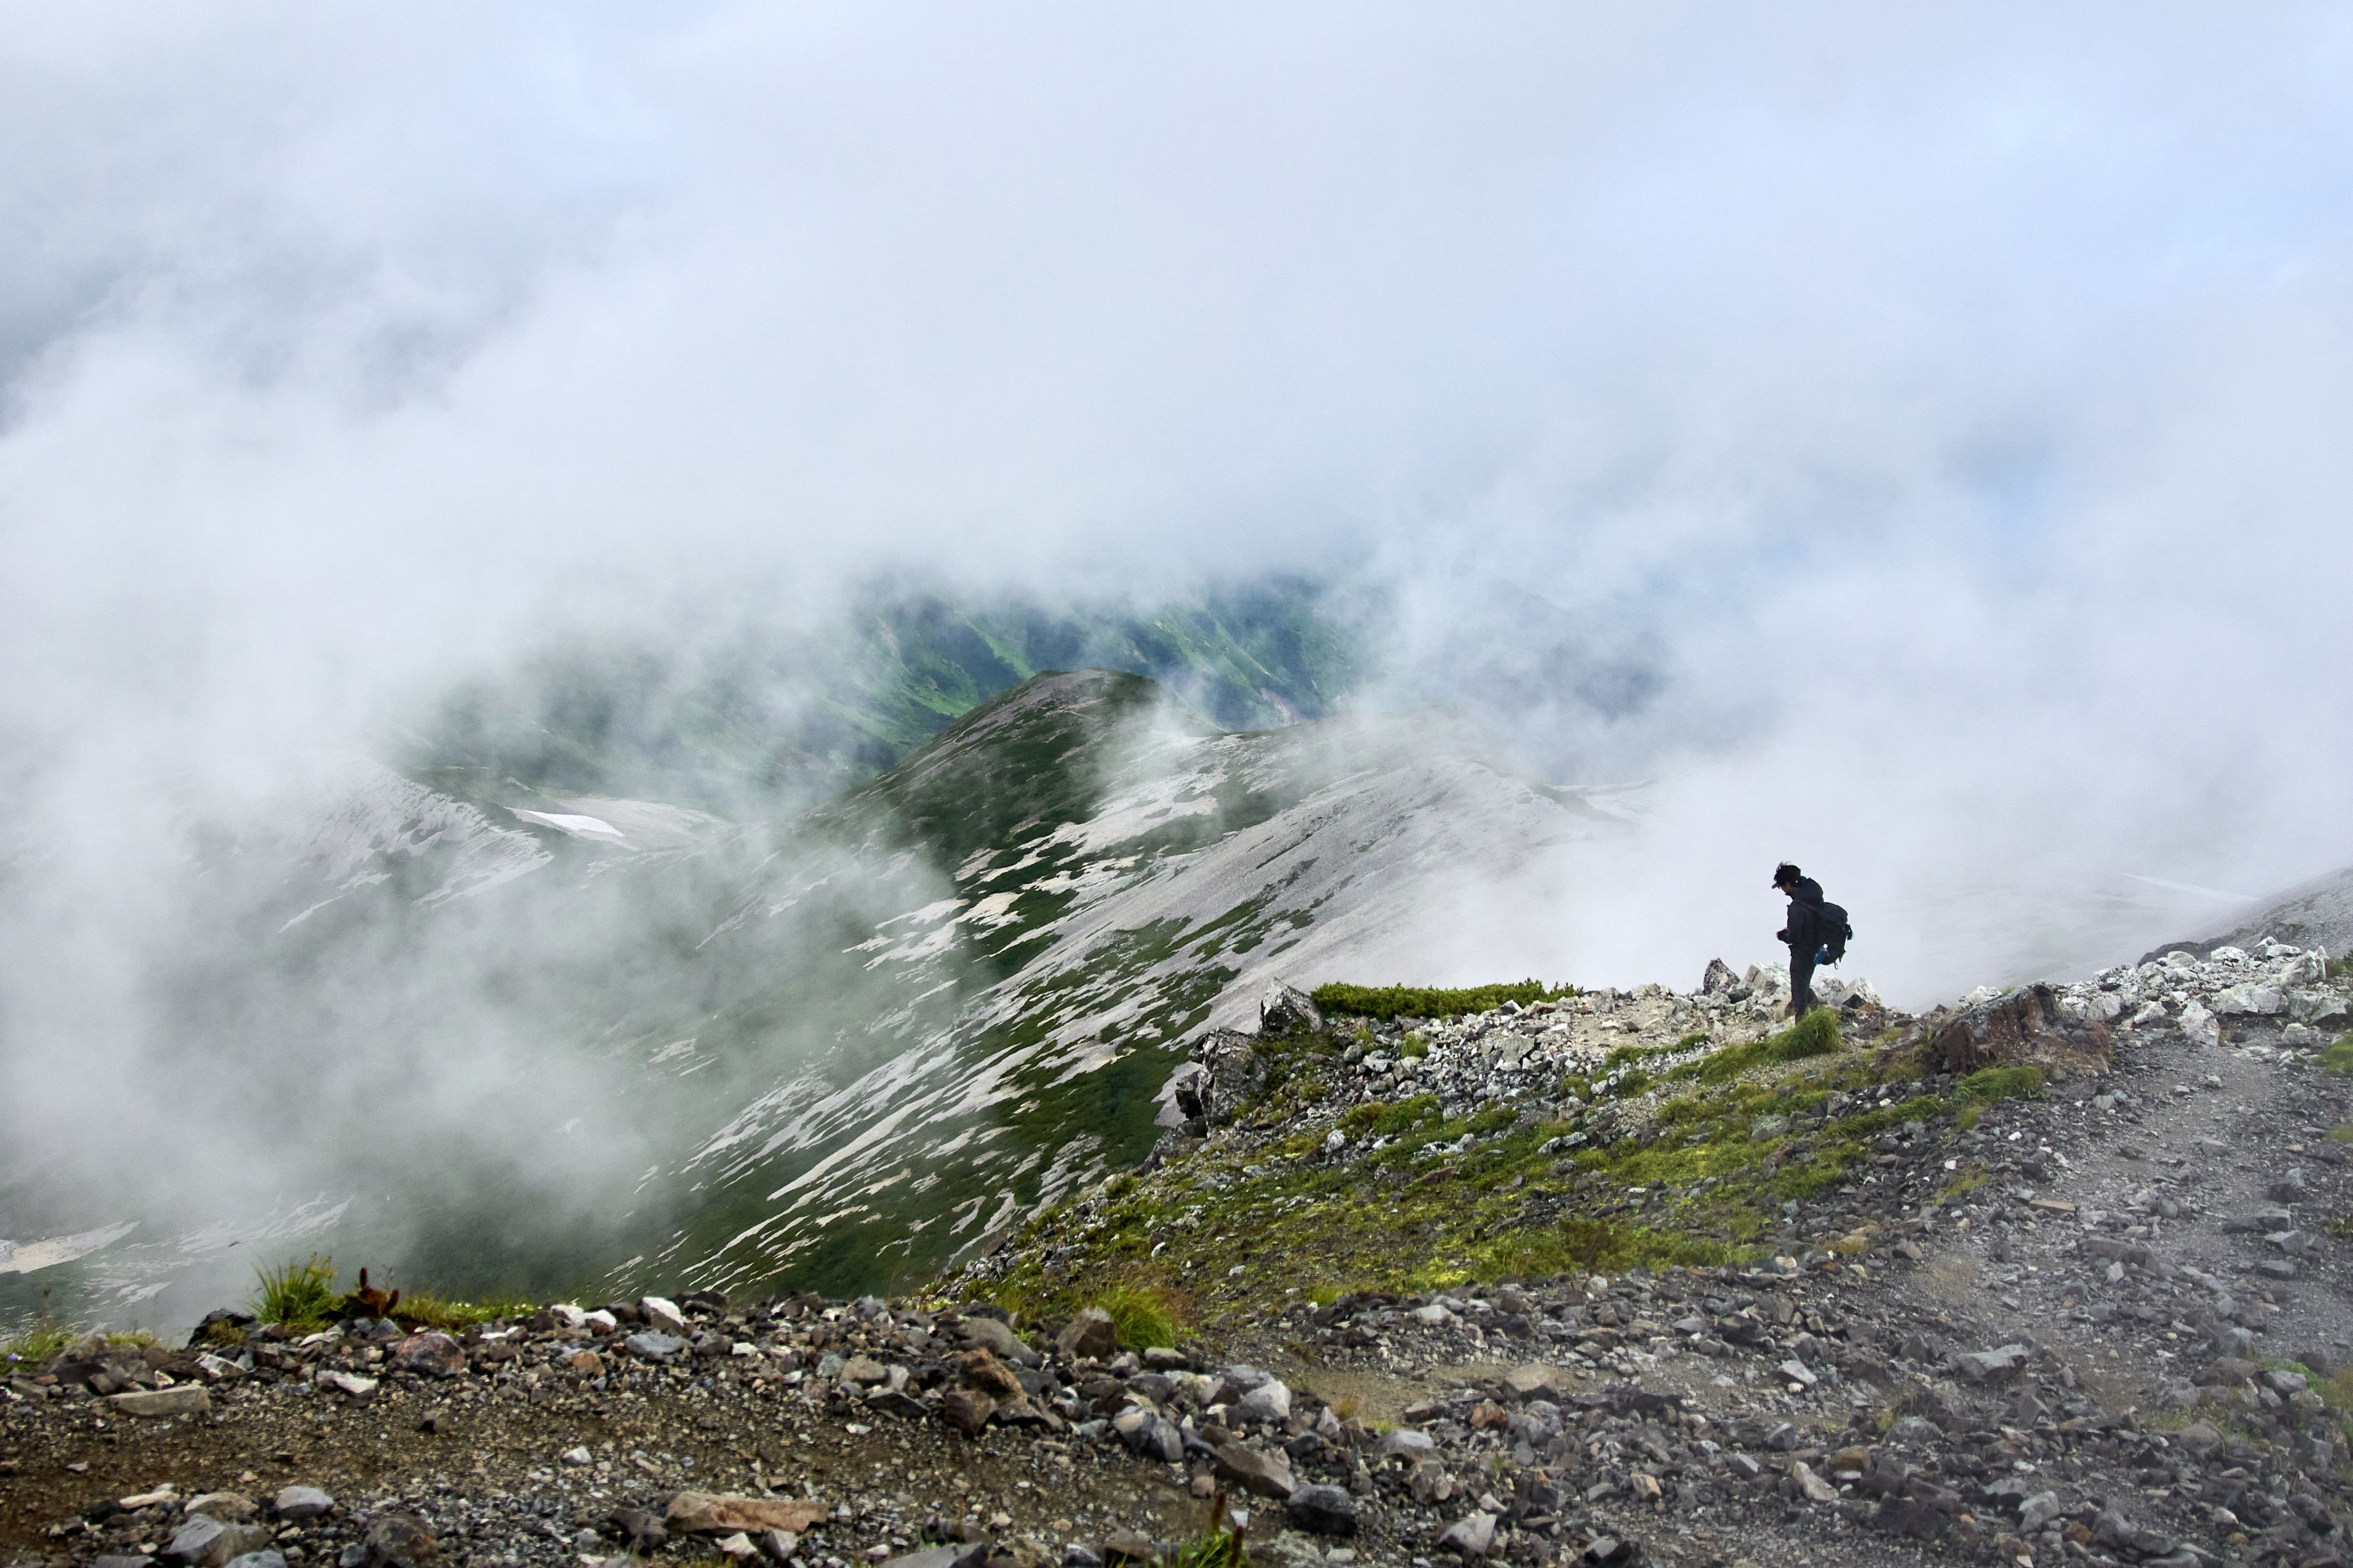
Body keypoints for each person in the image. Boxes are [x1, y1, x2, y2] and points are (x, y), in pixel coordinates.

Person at [1772, 861, 1828, 1018]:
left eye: (1782, 886)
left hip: (1802, 953)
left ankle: (1803, 1024)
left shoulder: (1797, 907)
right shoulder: (1814, 896)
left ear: (1788, 885)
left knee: (1799, 993)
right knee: (1805, 984)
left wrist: (1783, 935)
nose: (1782, 890)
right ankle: (1817, 1013)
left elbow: (1794, 936)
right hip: (1816, 949)